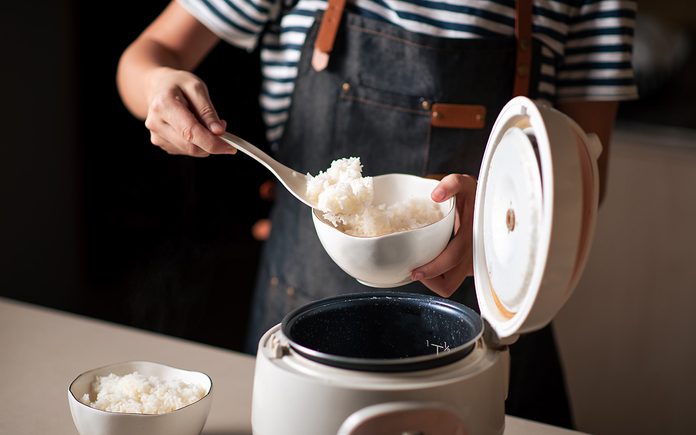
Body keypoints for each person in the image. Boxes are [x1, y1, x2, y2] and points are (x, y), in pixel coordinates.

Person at [117, 0, 638, 427]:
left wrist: (505, 209)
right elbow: (146, 56)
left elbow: (586, 176)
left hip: (487, 326)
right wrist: (158, 87)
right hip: (303, 330)